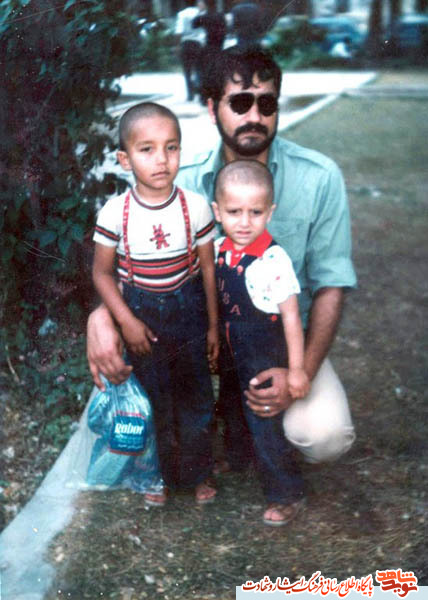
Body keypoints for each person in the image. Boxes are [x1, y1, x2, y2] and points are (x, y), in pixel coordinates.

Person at [87, 47, 357, 525]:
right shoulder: (179, 180)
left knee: (324, 435)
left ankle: (257, 452)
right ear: (212, 108)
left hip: (276, 339)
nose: (254, 116)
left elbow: (332, 286)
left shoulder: (318, 178)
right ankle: (187, 453)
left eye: (266, 103)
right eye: (240, 102)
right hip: (190, 332)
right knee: (143, 392)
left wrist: (301, 372)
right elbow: (121, 258)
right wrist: (100, 318)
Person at [92, 101, 219, 506]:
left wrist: (213, 326)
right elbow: (102, 273)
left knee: (195, 396)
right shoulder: (115, 213)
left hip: (188, 312)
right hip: (142, 317)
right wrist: (126, 321)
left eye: (171, 147)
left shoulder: (194, 206)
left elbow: (207, 269)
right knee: (153, 399)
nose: (161, 159)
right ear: (124, 159)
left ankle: (197, 472)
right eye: (147, 149)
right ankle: (154, 475)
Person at [213, 159, 310, 525]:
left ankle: (286, 492)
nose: (244, 222)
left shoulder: (273, 260)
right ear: (217, 212)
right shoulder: (218, 249)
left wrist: (296, 369)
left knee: (263, 416)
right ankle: (237, 458)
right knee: (230, 404)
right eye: (234, 212)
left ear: (270, 212)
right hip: (230, 346)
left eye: (255, 212)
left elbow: (291, 317)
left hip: (263, 350)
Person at [175, 0, 205, 101]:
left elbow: (178, 31)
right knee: (199, 69)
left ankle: (190, 95)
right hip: (198, 43)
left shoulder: (182, 14)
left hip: (186, 43)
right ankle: (200, 93)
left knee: (187, 70)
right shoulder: (200, 13)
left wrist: (177, 46)